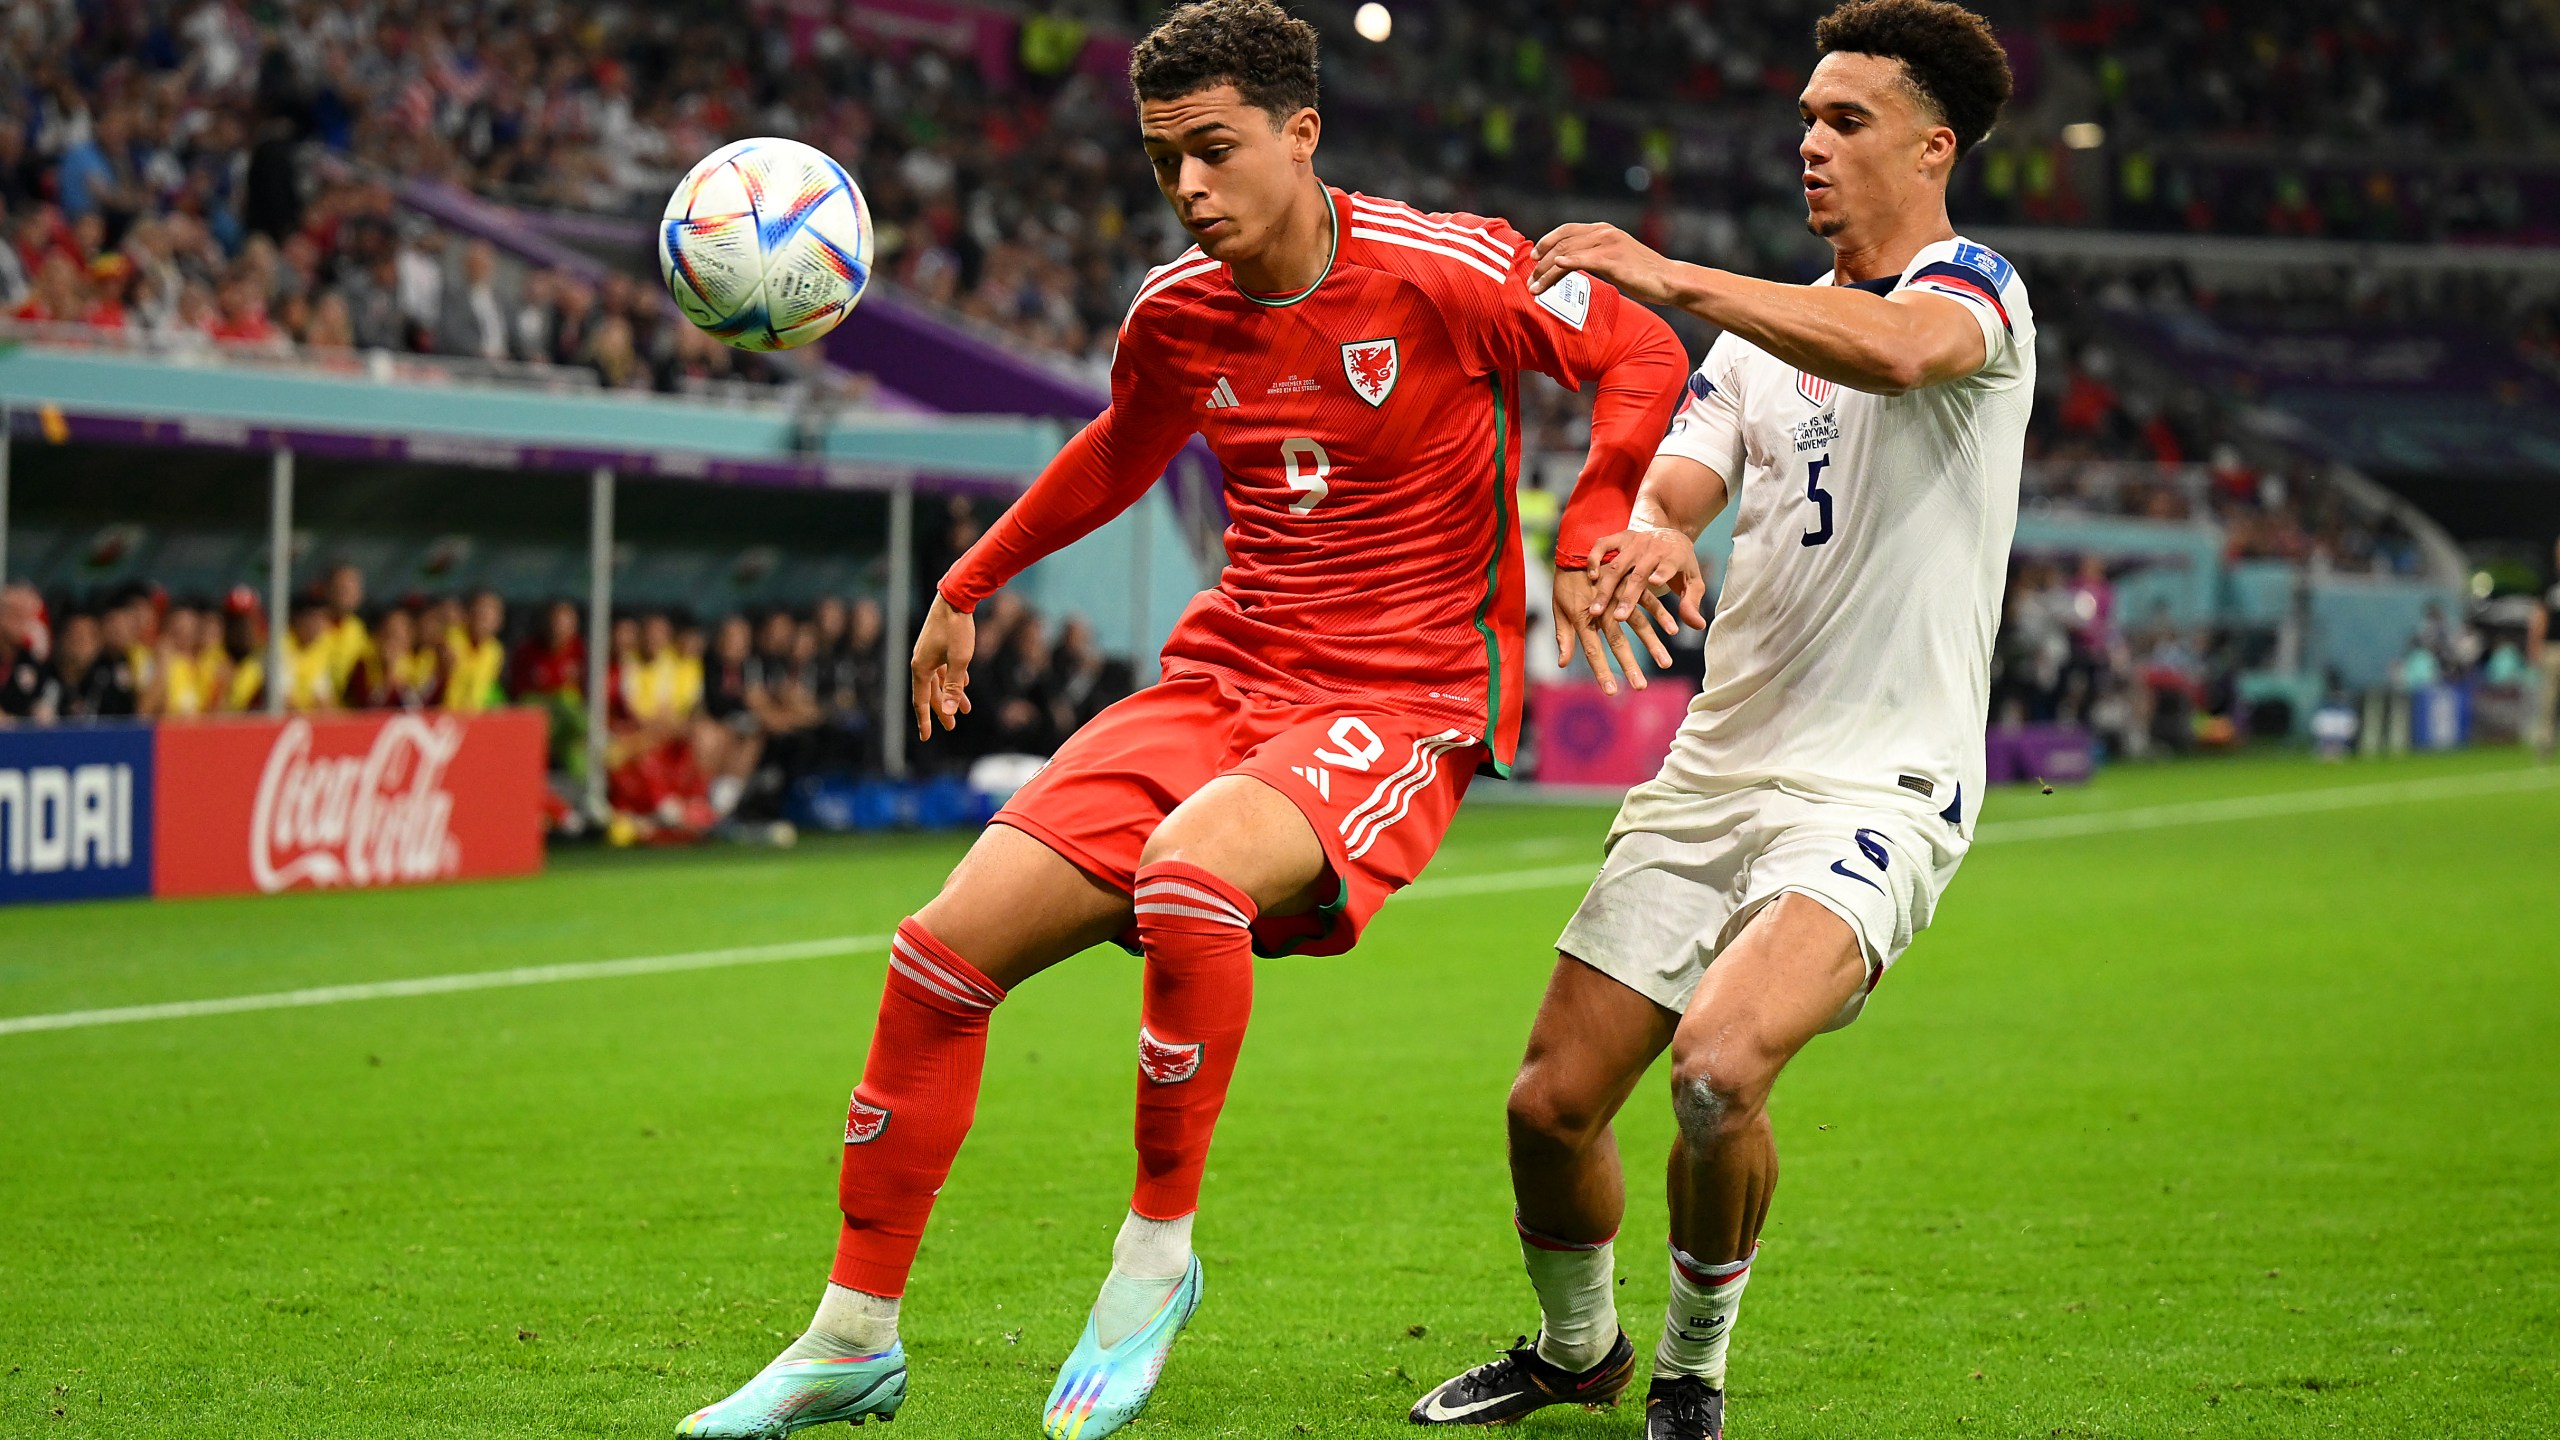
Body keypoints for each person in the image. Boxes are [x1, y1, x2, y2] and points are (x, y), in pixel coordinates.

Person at [675, 3, 1690, 1436]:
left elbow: (1641, 354)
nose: (1192, 190)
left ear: (1301, 134)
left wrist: (1595, 511)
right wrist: (967, 580)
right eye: (1165, 166)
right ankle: (853, 1335)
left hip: (1400, 695)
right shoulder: (1174, 311)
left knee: (1192, 880)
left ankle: (1155, 1257)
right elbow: (1119, 449)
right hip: (1222, 680)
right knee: (940, 955)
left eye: (1214, 153)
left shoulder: (1442, 266)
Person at [1408, 4, 2031, 1436]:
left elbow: (1901, 354)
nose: (1810, 144)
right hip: (1718, 769)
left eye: (1847, 121)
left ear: (1933, 146)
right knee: (1547, 1111)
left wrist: (1668, 274)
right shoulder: (1756, 354)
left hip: (1876, 786)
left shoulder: (1977, 289)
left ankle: (1690, 1373)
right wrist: (1649, 534)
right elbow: (1681, 482)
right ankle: (1579, 1353)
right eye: (1806, 118)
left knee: (1716, 1072)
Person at [2532, 537, 2560, 762]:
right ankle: (2545, 745)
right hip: (2552, 647)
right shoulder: (2549, 581)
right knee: (2548, 699)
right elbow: (2539, 616)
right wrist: (2534, 644)